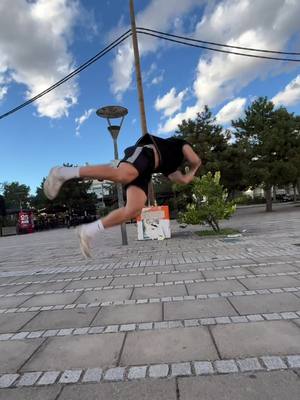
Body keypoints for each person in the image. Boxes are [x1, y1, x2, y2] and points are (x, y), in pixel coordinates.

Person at [44, 133, 201, 258]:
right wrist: (193, 170)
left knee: (134, 209)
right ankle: (62, 172)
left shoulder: (171, 165)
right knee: (124, 174)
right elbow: (196, 160)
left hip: (145, 171)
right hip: (143, 153)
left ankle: (88, 230)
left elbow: (178, 178)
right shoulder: (180, 144)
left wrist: (187, 178)